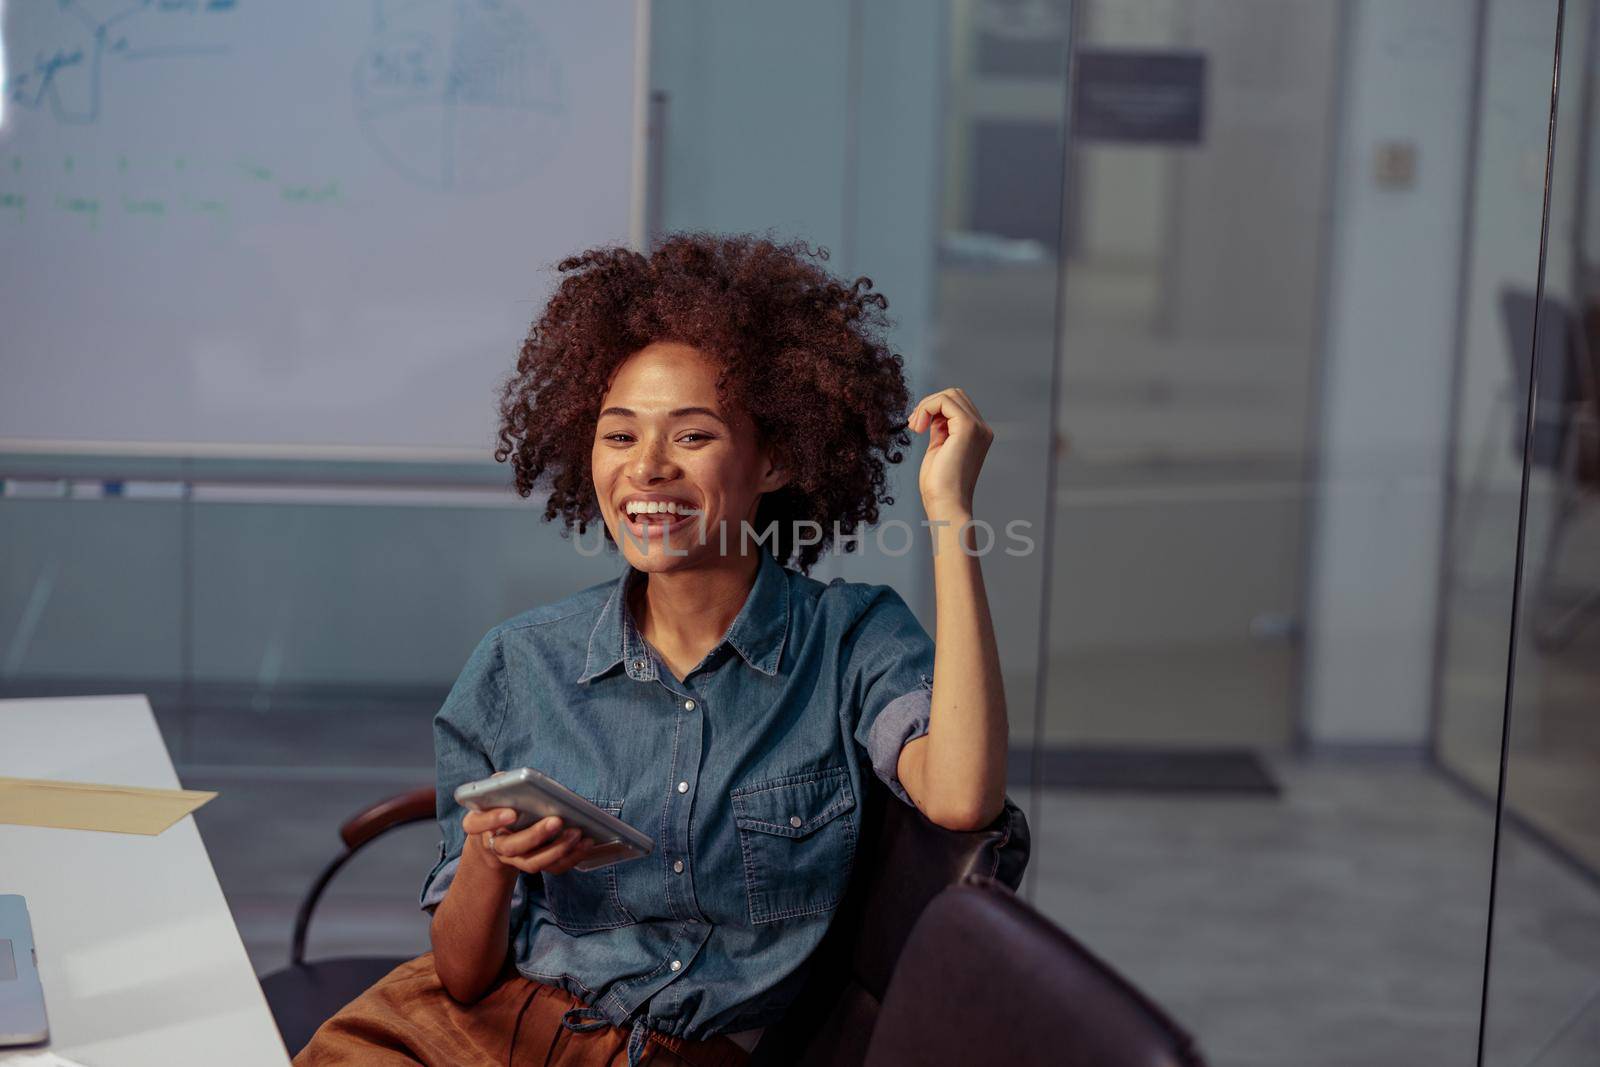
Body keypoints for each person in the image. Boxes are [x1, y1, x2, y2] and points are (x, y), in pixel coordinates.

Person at [294, 232, 1009, 1066]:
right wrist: (491, 854)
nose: (647, 470)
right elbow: (459, 974)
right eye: (620, 435)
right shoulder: (519, 664)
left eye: (693, 436)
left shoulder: (852, 640)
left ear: (773, 457)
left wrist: (949, 512)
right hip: (465, 1033)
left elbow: (962, 798)